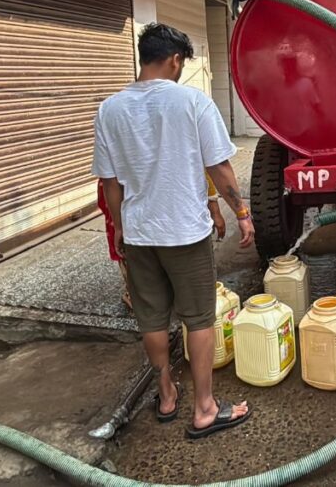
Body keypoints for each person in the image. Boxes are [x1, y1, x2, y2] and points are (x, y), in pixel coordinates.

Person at [92, 22, 255, 439]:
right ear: (175, 60)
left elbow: (110, 182)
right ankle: (205, 409)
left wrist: (120, 228)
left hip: (139, 231)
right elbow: (219, 167)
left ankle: (166, 395)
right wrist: (241, 211)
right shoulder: (193, 102)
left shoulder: (110, 109)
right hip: (184, 231)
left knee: (151, 317)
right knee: (198, 319)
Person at [98, 176, 226, 313]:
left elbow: (109, 180)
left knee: (152, 311)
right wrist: (220, 209)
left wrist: (118, 226)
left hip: (136, 211)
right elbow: (211, 169)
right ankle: (149, 293)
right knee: (197, 314)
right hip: (167, 210)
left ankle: (142, 294)